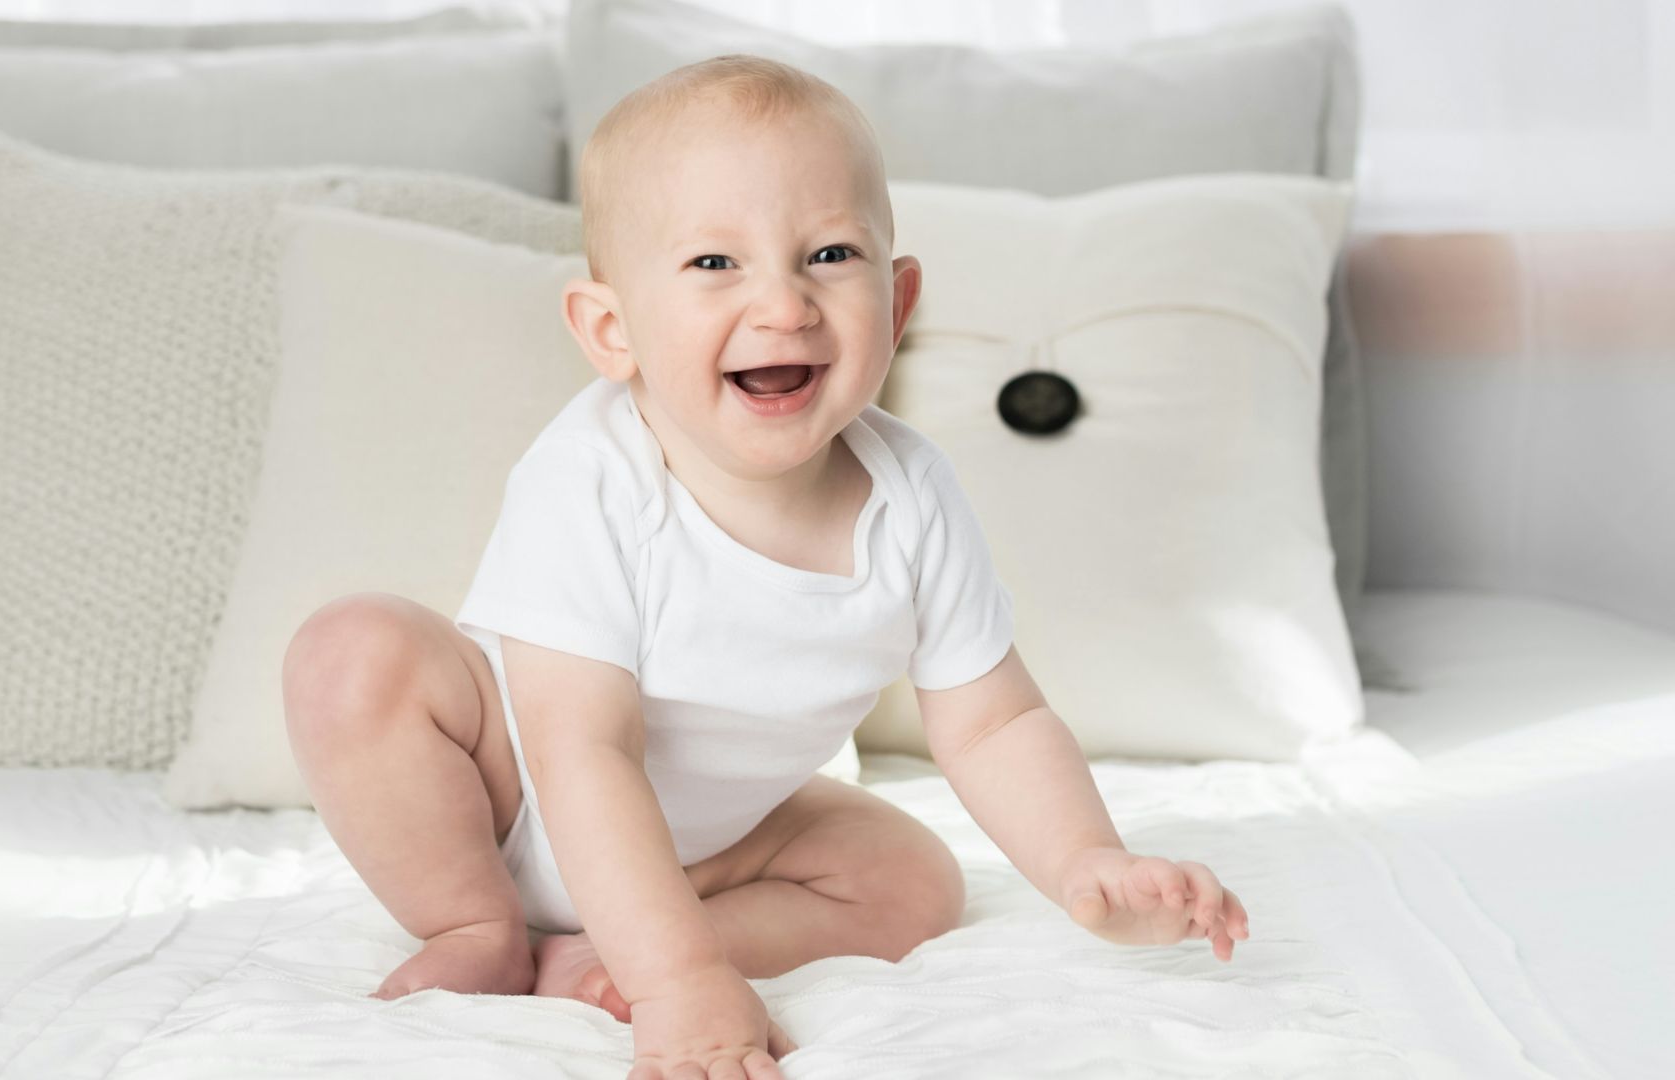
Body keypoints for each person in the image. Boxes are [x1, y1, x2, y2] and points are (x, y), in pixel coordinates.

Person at [282, 53, 1250, 1080]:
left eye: (830, 254)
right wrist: (682, 987)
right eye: (714, 265)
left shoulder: (911, 495)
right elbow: (584, 754)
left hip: (711, 845)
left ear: (900, 297)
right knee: (354, 653)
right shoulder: (592, 475)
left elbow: (994, 720)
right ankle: (477, 927)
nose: (783, 305)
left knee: (913, 882)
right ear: (612, 330)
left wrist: (1086, 864)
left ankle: (598, 957)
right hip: (512, 791)